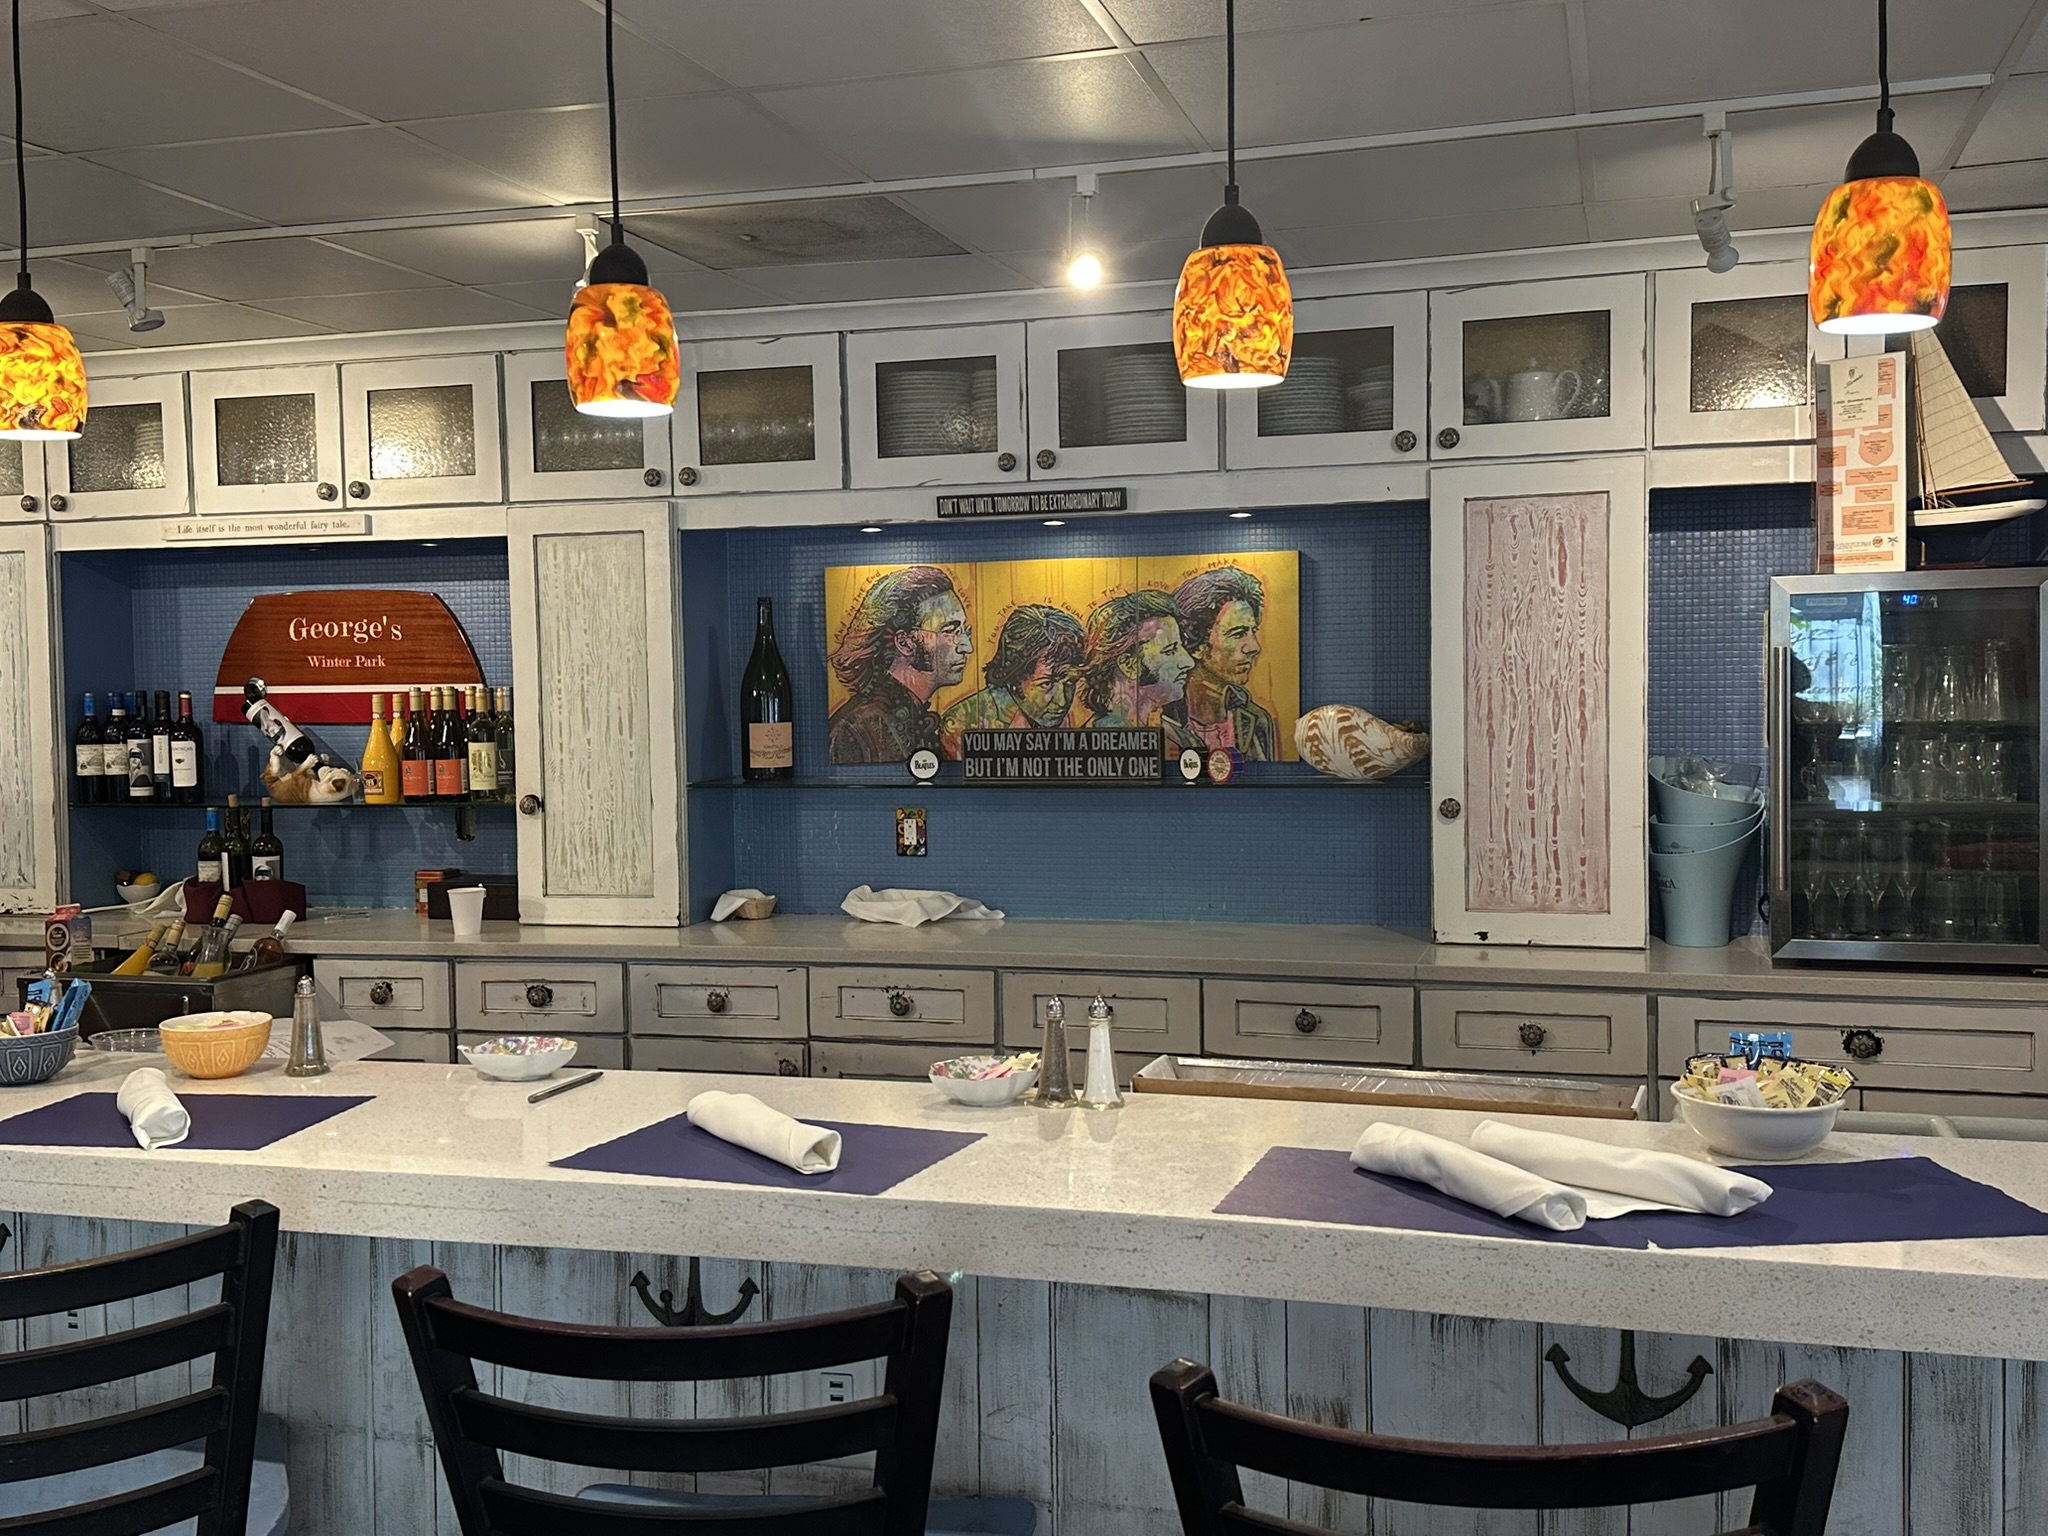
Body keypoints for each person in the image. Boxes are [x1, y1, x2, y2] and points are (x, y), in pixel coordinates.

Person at [826, 565, 973, 764]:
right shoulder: (854, 730)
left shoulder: (915, 718)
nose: (967, 647)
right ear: (905, 643)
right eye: (950, 631)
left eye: (964, 631)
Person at [940, 604, 1086, 754]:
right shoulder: (961, 724)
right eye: (1046, 684)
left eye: (1070, 682)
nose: (1062, 701)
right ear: (1013, 679)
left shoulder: (1056, 717)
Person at [1167, 566, 1277, 759]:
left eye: (1253, 631)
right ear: (1196, 645)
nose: (1254, 647)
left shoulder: (1256, 719)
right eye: (1238, 634)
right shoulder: (1163, 720)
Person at [1078, 590, 1199, 754]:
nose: (1188, 662)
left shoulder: (1181, 738)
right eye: (1170, 651)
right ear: (1129, 665)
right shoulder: (1096, 746)